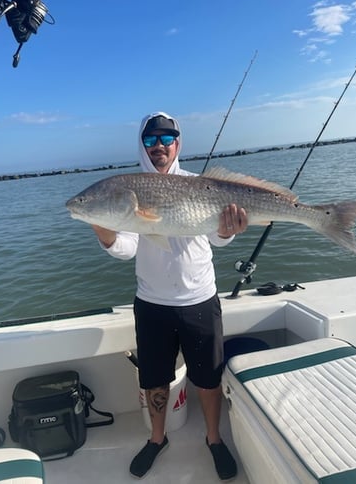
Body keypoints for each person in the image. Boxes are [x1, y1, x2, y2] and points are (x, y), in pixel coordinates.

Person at [92, 111, 247, 481]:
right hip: (152, 304)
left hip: (199, 299)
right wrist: (104, 231)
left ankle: (213, 438)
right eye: (150, 140)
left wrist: (229, 230)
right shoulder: (129, 190)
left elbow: (217, 238)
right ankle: (156, 438)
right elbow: (127, 248)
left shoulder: (200, 185)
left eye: (166, 138)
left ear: (177, 143)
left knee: (208, 379)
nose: (158, 146)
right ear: (142, 145)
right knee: (154, 379)